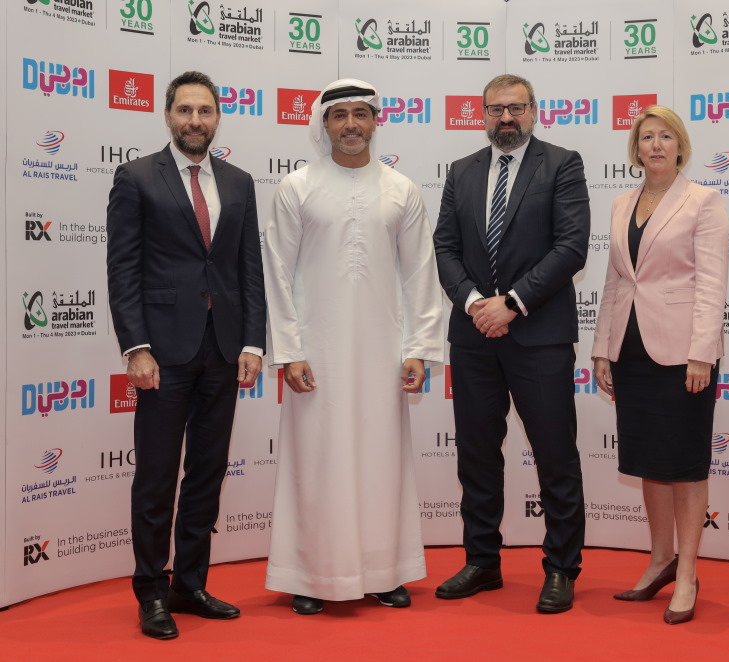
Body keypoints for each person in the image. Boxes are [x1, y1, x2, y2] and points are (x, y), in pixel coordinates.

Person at [262, 78, 444, 615]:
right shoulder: (295, 187)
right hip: (316, 355)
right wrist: (289, 350)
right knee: (316, 460)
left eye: (360, 114)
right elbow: (277, 273)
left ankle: (384, 572)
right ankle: (311, 574)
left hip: (383, 352)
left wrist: (418, 348)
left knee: (381, 460)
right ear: (323, 123)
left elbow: (420, 274)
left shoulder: (401, 189)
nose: (350, 125)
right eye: (339, 115)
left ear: (375, 121)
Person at [106, 70, 266, 640]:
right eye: (185, 110)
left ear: (217, 117)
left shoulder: (240, 182)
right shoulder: (135, 177)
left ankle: (190, 584)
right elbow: (123, 268)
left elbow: (248, 268)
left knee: (206, 472)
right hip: (162, 354)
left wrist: (252, 342)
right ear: (167, 115)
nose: (195, 121)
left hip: (223, 349)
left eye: (205, 111)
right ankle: (151, 591)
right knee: (155, 476)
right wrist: (136, 347)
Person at [433, 74, 589, 613]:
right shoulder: (461, 171)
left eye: (516, 108)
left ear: (533, 112)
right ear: (482, 114)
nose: (506, 117)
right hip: (474, 336)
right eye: (496, 109)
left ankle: (561, 568)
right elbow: (445, 247)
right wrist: (477, 303)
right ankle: (482, 561)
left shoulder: (562, 164)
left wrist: (513, 303)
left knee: (555, 455)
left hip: (539, 336)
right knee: (476, 455)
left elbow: (571, 247)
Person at [591, 105, 729, 625]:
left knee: (685, 464)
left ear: (680, 146)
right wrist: (602, 347)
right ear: (636, 148)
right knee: (650, 461)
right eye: (647, 136)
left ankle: (688, 572)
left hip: (682, 354)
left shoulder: (703, 201)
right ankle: (660, 561)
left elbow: (712, 283)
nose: (655, 145)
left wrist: (702, 352)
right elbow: (615, 280)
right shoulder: (622, 202)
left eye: (665, 136)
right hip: (631, 350)